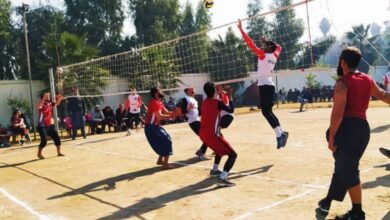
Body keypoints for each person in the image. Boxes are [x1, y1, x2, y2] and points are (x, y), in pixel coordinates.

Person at [318, 47, 390, 220]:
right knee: (343, 165)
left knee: (348, 169)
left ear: (343, 62)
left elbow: (338, 113)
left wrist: (332, 136)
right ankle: (328, 200)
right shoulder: (367, 79)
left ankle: (357, 212)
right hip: (362, 129)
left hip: (347, 129)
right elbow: (383, 95)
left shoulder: (342, 83)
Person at [238, 19, 288, 149]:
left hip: (265, 86)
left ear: (267, 48)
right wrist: (267, 43)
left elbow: (250, 44)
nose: (262, 47)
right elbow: (279, 47)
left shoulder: (262, 55)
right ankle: (281, 133)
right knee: (267, 111)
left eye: (264, 46)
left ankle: (280, 135)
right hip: (268, 85)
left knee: (266, 112)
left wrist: (241, 30)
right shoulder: (274, 55)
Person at [200, 81, 237, 187]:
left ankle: (215, 170)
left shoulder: (204, 102)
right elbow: (231, 110)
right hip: (212, 135)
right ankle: (223, 178)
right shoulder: (217, 102)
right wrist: (230, 96)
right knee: (233, 155)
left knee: (219, 150)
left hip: (203, 135)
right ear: (214, 90)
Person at [144, 87, 176, 169]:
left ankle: (160, 161)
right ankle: (165, 164)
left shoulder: (159, 102)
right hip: (151, 128)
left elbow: (167, 112)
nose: (161, 91)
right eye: (159, 91)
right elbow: (160, 117)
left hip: (156, 127)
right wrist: (172, 116)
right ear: (155, 93)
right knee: (167, 141)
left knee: (165, 141)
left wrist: (177, 113)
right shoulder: (154, 102)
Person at [180, 87, 209, 160]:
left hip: (197, 120)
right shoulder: (185, 99)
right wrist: (188, 109)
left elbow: (198, 112)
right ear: (187, 91)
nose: (193, 90)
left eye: (194, 89)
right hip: (193, 121)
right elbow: (183, 111)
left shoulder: (194, 100)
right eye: (191, 89)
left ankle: (201, 152)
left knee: (208, 136)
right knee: (207, 137)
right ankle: (201, 152)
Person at [37, 92, 64, 159]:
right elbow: (38, 107)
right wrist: (43, 98)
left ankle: (59, 152)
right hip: (42, 126)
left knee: (57, 138)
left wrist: (59, 98)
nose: (49, 96)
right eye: (47, 95)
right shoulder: (42, 104)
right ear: (43, 96)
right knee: (44, 141)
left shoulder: (50, 103)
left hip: (49, 125)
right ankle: (39, 154)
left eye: (49, 95)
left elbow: (57, 103)